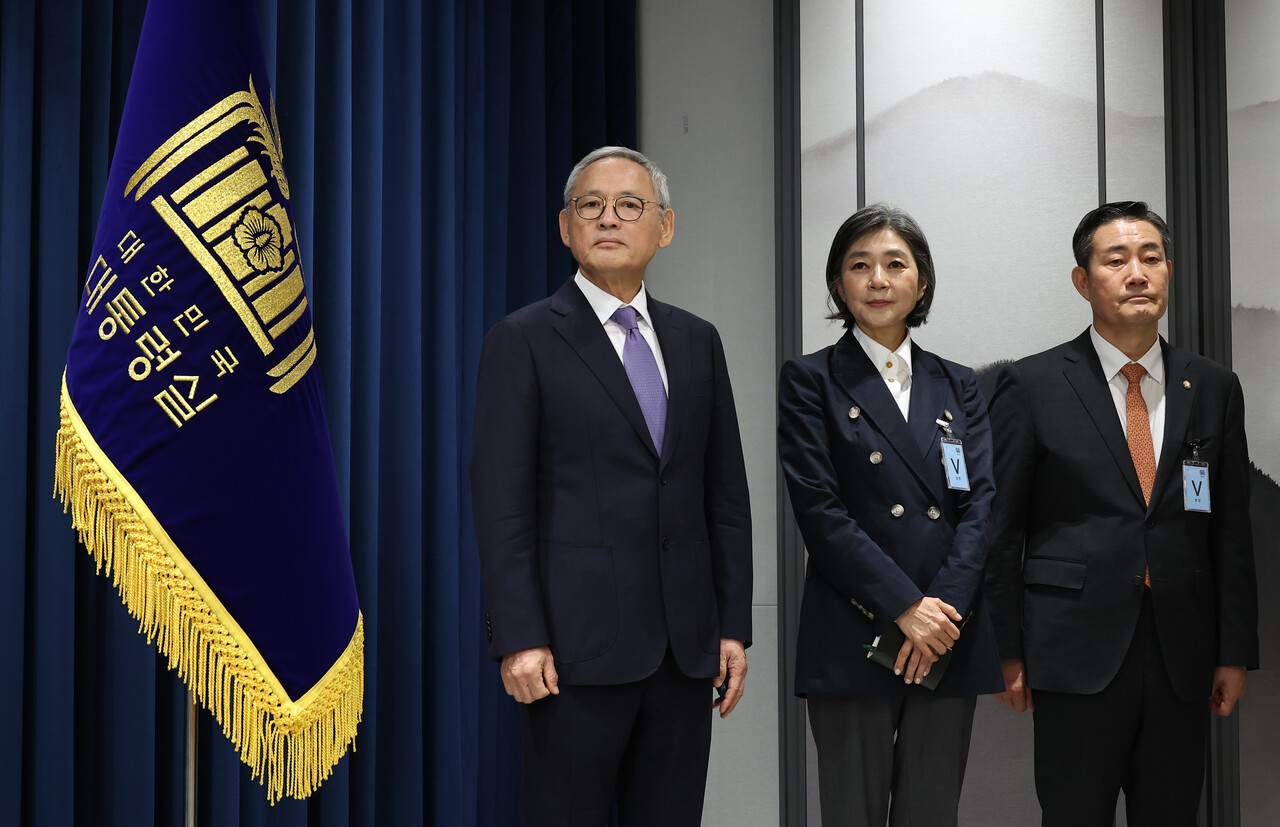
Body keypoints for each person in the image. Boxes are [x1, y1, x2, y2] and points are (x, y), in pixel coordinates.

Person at [471, 146, 753, 826]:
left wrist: (732, 625)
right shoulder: (525, 339)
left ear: (666, 226)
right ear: (565, 227)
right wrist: (519, 635)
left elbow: (726, 497)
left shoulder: (697, 341)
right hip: (571, 655)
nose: (609, 219)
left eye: (630, 205)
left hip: (685, 652)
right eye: (590, 206)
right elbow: (501, 504)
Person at [985, 201, 1259, 826]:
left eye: (1151, 258)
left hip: (1182, 653)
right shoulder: (1031, 385)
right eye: (1116, 260)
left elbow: (1230, 530)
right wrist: (1005, 648)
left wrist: (1234, 651)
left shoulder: (1212, 386)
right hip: (1072, 650)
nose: (1137, 273)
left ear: (1168, 272)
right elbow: (1003, 533)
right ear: (1084, 281)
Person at [778, 204, 1003, 826]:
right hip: (855, 630)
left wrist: (941, 616)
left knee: (932, 815)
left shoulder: (958, 384)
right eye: (860, 265)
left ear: (921, 282)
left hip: (945, 633)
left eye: (895, 264)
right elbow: (820, 512)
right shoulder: (810, 380)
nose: (878, 279)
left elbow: (979, 504)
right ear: (838, 283)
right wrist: (905, 608)